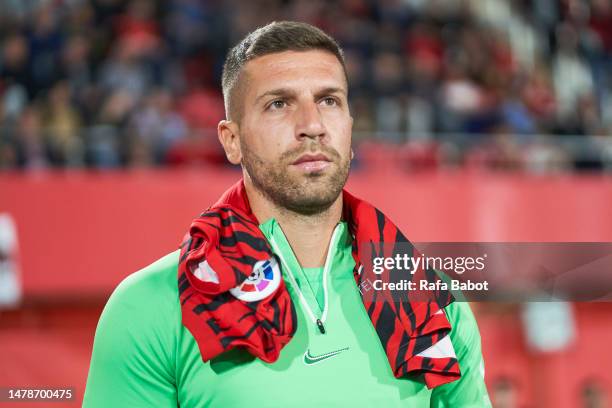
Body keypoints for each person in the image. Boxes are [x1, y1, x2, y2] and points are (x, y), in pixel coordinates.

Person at [84, 21, 491, 407]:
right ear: (232, 140)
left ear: (349, 125)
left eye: (329, 101)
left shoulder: (433, 298)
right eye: (279, 104)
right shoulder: (151, 305)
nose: (312, 125)